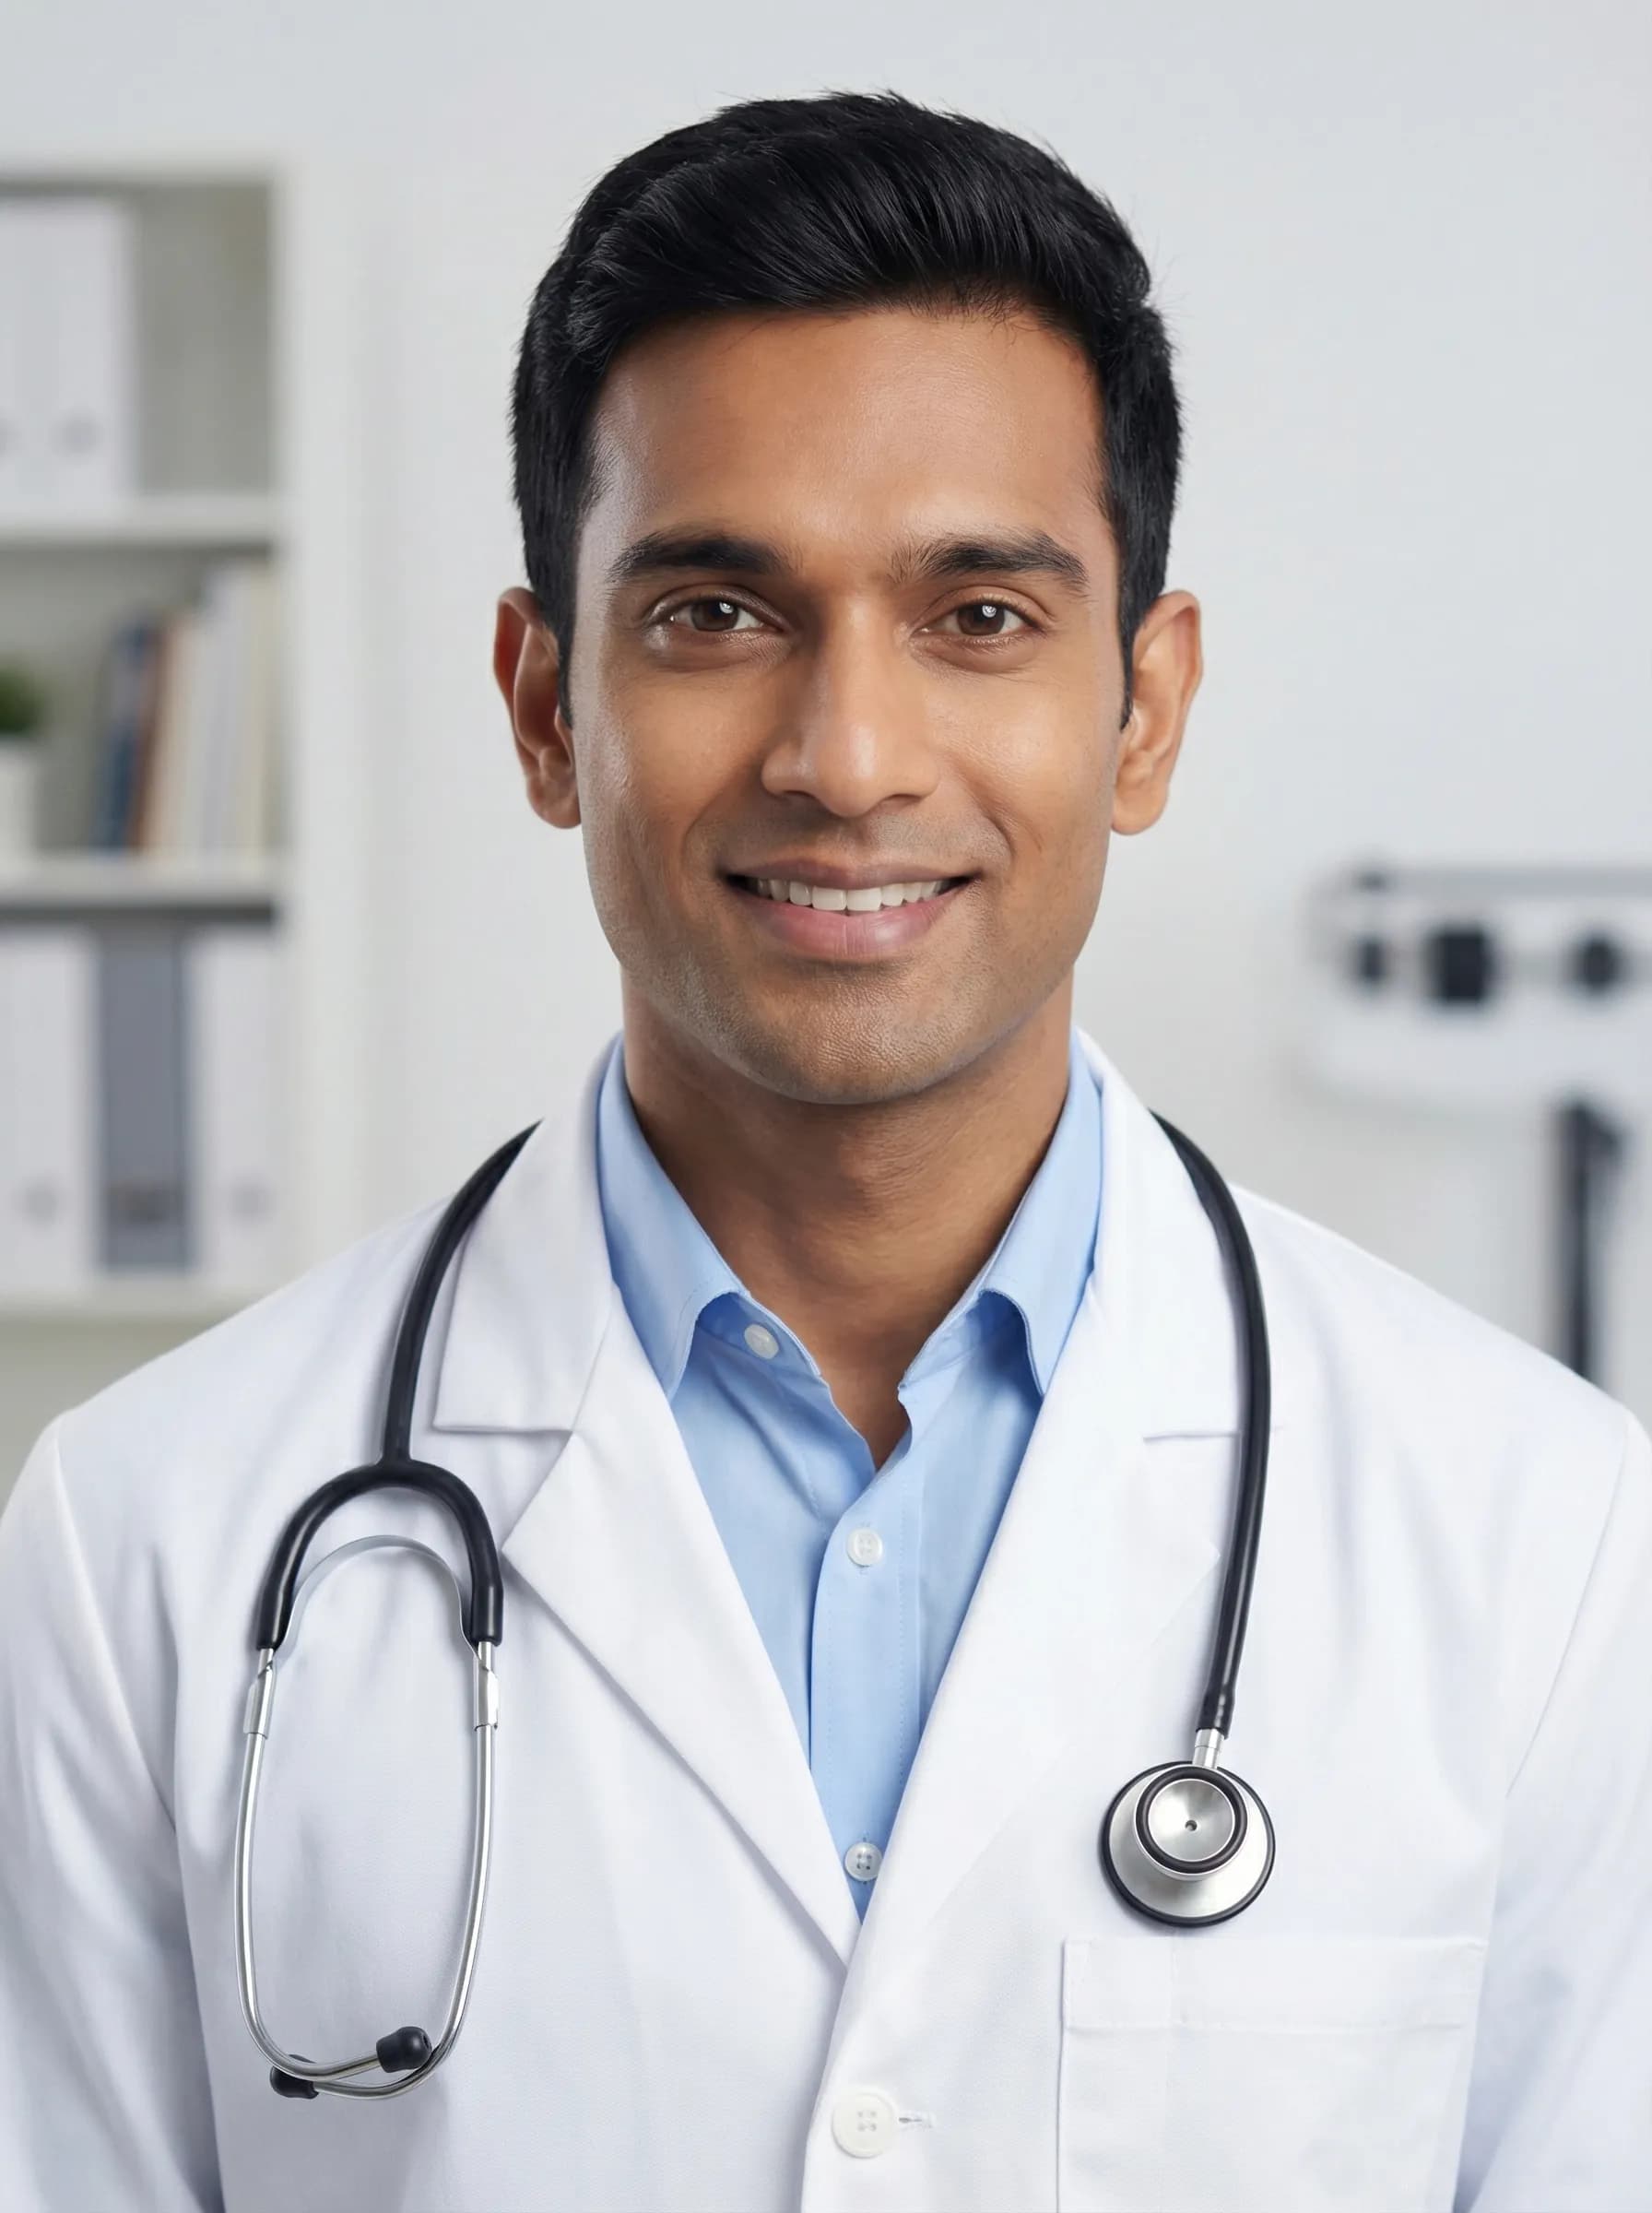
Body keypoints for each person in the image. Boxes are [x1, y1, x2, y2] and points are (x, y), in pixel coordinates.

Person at [0, 87, 1647, 2213]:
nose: (846, 759)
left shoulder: (1540, 1542)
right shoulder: (151, 1539)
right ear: (540, 706)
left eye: (977, 618)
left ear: (1139, 711)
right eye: (712, 614)